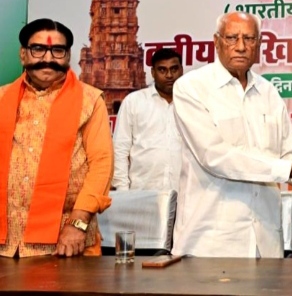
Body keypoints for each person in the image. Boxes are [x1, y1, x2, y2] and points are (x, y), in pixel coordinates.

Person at [171, 12, 292, 258]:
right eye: (232, 38)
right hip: (211, 240)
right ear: (216, 42)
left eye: (249, 39)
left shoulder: (269, 92)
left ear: (259, 44)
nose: (241, 46)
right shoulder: (191, 87)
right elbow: (215, 156)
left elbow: (288, 154)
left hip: (266, 239)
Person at [0, 19, 113, 258]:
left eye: (57, 50)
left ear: (68, 55)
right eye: (38, 49)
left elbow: (102, 165)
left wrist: (78, 224)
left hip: (66, 243)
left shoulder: (90, 101)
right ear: (23, 54)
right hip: (5, 243)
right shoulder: (2, 98)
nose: (48, 58)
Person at [112, 48, 183, 191]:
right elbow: (120, 149)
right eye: (162, 70)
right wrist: (122, 191)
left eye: (174, 69)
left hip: (185, 193)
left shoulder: (192, 103)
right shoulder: (134, 101)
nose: (169, 75)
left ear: (181, 70)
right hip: (142, 192)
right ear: (153, 72)